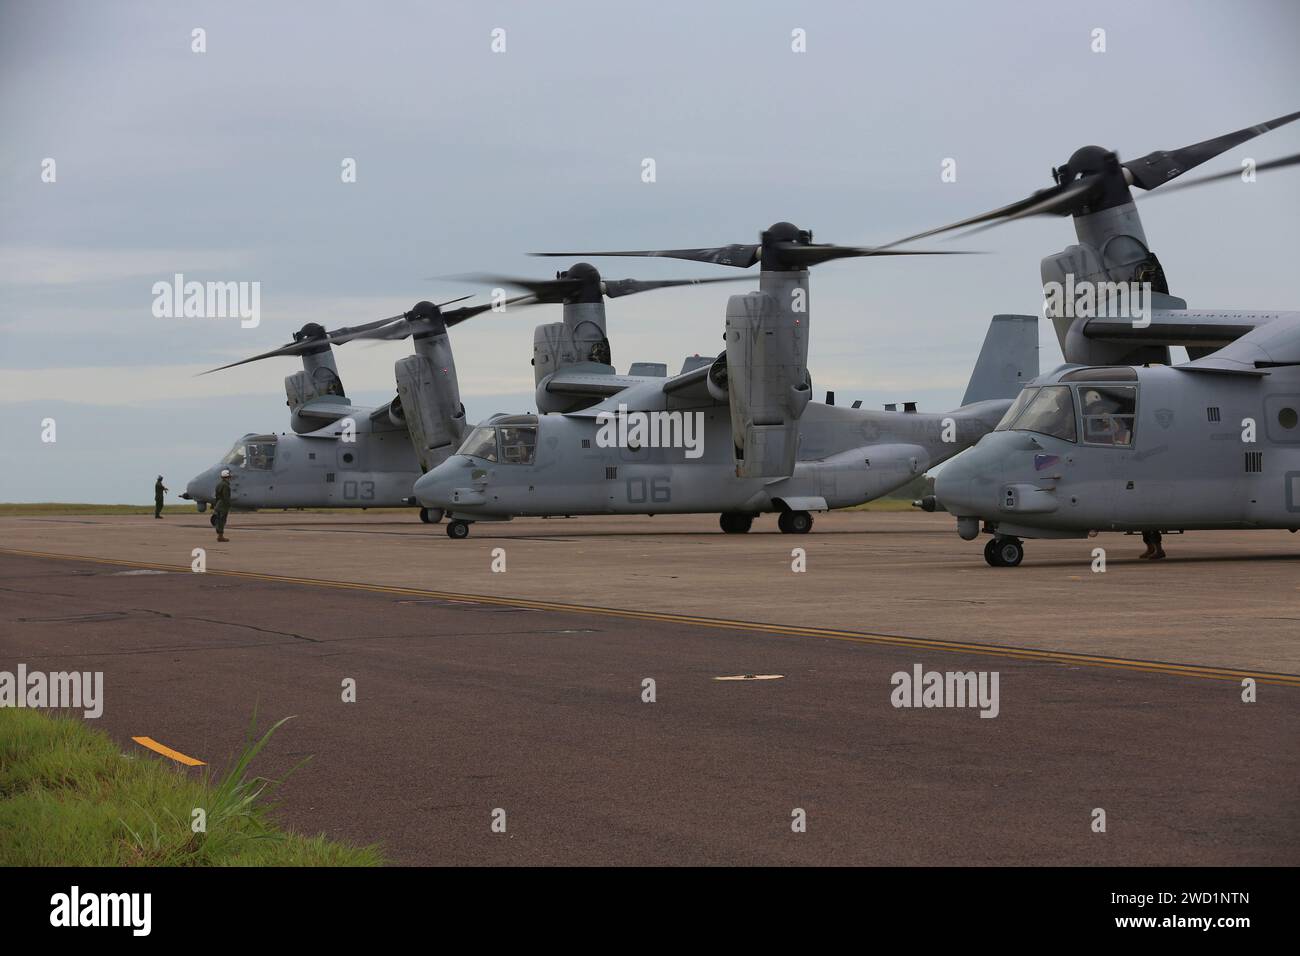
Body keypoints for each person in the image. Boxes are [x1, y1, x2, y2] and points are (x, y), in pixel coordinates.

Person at [213, 469, 232, 543]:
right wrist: (229, 505)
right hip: (223, 505)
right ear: (227, 477)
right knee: (222, 521)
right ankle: (220, 537)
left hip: (218, 504)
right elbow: (226, 497)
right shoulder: (226, 485)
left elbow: (217, 496)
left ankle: (219, 535)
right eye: (229, 477)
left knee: (219, 520)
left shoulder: (219, 484)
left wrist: (216, 504)